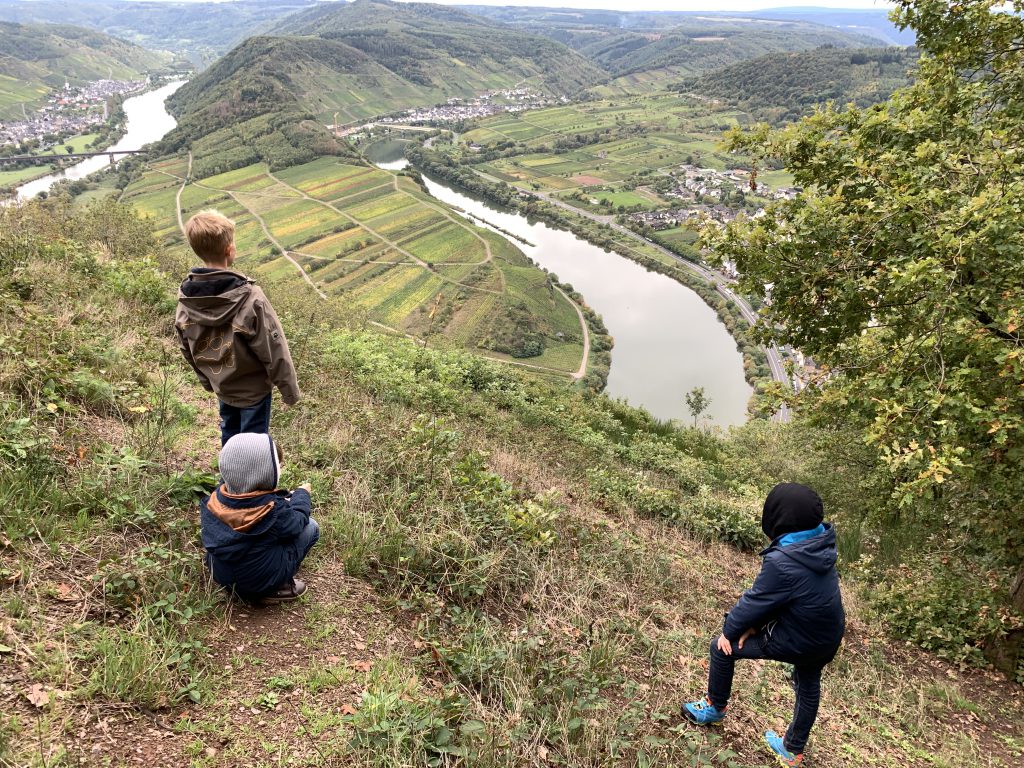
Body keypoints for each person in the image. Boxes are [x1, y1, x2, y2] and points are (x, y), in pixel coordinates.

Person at [681, 482, 845, 767]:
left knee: (722, 648)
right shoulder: (820, 545)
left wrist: (730, 630)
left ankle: (715, 707)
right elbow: (795, 595)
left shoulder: (784, 560)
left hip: (799, 637)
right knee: (808, 681)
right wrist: (758, 625)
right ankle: (792, 751)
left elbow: (756, 602)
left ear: (778, 518)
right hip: (827, 636)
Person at [175, 209, 300, 446]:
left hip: (223, 387)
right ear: (229, 250)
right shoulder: (251, 298)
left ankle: (227, 482)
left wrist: (206, 380)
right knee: (253, 451)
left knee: (230, 442)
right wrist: (289, 391)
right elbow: (274, 347)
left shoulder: (187, 300)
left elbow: (186, 347)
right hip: (254, 393)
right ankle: (245, 483)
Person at [200, 432, 319, 603]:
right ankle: (273, 588)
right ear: (266, 472)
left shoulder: (216, 498)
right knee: (311, 527)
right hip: (257, 582)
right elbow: (297, 521)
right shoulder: (272, 509)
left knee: (267, 536)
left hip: (220, 575)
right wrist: (302, 495)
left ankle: (238, 582)